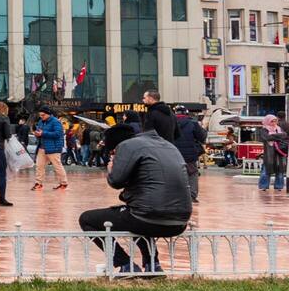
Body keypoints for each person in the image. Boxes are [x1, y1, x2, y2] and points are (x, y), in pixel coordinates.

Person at [80, 124, 192, 274]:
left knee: (87, 219)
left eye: (113, 152)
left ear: (116, 146)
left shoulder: (127, 146)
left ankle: (125, 264)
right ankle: (153, 265)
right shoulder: (167, 145)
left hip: (149, 217)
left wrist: (111, 169)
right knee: (135, 215)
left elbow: (116, 181)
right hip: (180, 221)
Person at [173, 108, 207, 201]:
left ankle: (176, 195)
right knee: (192, 173)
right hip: (189, 155)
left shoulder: (170, 123)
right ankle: (192, 195)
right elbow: (201, 137)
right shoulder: (193, 123)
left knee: (175, 174)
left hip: (174, 154)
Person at [32, 108, 68, 191]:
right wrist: (37, 134)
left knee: (57, 166)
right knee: (39, 166)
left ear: (48, 114)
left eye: (43, 115)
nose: (41, 117)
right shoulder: (41, 121)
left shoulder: (55, 122)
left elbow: (58, 134)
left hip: (53, 148)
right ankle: (38, 183)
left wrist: (43, 133)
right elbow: (39, 131)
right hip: (42, 147)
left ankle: (63, 183)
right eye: (40, 115)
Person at [260, 115, 288, 192]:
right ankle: (264, 186)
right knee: (266, 170)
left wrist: (273, 136)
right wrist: (278, 137)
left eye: (275, 121)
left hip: (279, 152)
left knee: (280, 171)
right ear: (267, 121)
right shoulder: (264, 129)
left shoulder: (279, 128)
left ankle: (279, 186)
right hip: (269, 153)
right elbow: (266, 137)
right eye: (272, 121)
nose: (274, 122)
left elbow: (285, 135)